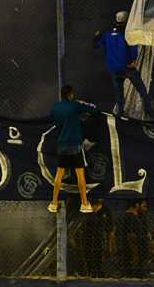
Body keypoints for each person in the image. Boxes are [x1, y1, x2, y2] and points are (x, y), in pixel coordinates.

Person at [48, 85, 99, 214]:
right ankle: (84, 203)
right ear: (71, 94)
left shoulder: (55, 108)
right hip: (75, 144)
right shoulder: (75, 105)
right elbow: (94, 110)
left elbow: (53, 121)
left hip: (62, 145)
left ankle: (53, 203)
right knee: (80, 174)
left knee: (59, 174)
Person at [93, 11, 154, 119]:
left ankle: (120, 114)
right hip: (127, 68)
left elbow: (96, 45)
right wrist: (133, 61)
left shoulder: (107, 34)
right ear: (127, 20)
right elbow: (132, 48)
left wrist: (97, 36)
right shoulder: (127, 33)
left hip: (114, 70)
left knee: (119, 94)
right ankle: (149, 114)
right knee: (142, 90)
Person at [78, 199, 114, 278]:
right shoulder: (85, 209)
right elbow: (78, 228)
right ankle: (89, 274)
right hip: (87, 240)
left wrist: (109, 246)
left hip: (100, 240)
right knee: (88, 261)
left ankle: (99, 274)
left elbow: (110, 231)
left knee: (99, 261)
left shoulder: (105, 211)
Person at [117, 199, 149, 278]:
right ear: (137, 205)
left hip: (126, 253)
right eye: (144, 206)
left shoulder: (123, 217)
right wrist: (135, 253)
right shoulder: (132, 217)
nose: (146, 209)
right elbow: (131, 236)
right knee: (134, 277)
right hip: (132, 253)